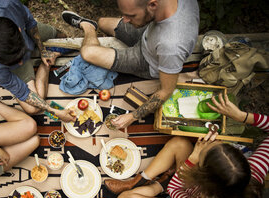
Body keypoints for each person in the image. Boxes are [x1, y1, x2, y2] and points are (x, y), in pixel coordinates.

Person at [104, 93, 269, 198]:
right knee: (180, 143)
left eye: (203, 152)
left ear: (202, 174)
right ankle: (139, 180)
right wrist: (242, 117)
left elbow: (175, 191)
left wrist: (192, 158)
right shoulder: (255, 168)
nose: (208, 141)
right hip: (194, 186)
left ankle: (160, 184)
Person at [62, 0, 199, 128]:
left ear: (152, 5)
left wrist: (133, 116)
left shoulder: (171, 46)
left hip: (145, 60)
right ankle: (94, 24)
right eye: (125, 15)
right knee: (103, 22)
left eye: (131, 16)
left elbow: (166, 90)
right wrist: (135, 18)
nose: (126, 21)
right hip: (147, 33)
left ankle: (88, 27)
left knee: (87, 53)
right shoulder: (162, 9)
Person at [0, 0, 75, 122]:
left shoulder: (7, 4)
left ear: (19, 29)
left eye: (20, 56)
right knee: (33, 109)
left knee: (61, 36)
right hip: (12, 54)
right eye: (14, 61)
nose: (21, 63)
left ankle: (50, 52)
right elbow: (23, 92)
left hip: (29, 33)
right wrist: (55, 111)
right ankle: (47, 63)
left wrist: (42, 50)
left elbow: (30, 23)